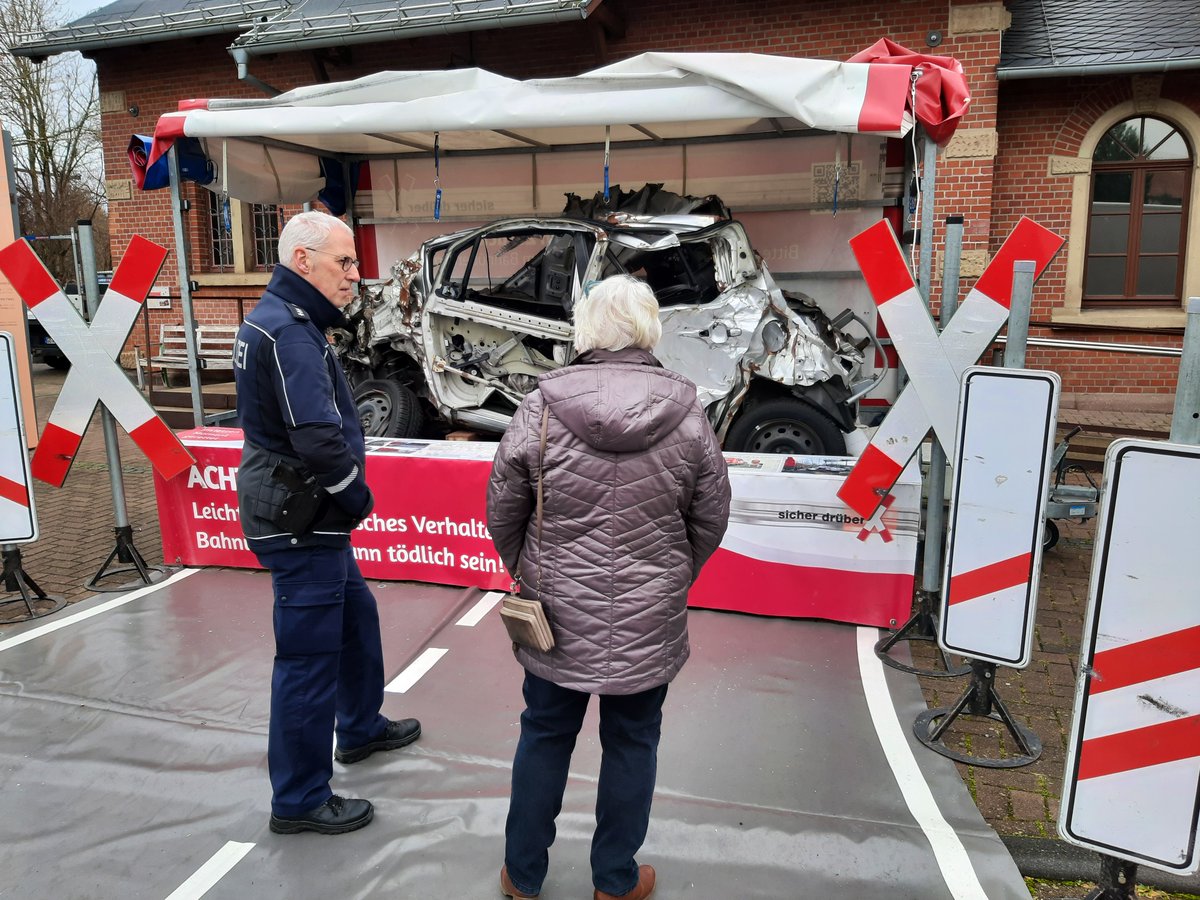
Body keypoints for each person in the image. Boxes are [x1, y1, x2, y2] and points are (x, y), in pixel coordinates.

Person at [487, 274, 731, 900]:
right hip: (650, 616)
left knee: (543, 734)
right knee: (632, 742)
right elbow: (710, 517)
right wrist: (671, 574)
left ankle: (522, 876)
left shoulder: (541, 404)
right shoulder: (687, 410)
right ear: (651, 330)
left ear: (586, 330)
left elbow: (503, 509)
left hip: (555, 614)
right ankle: (615, 882)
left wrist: (531, 570)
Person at [233, 210, 421, 835]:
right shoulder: (287, 332)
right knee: (309, 660)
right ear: (303, 260)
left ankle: (360, 727)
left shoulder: (286, 322)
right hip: (304, 517)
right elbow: (315, 436)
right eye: (344, 262)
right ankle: (300, 798)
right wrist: (356, 496)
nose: (354, 276)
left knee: (355, 618)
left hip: (310, 517)